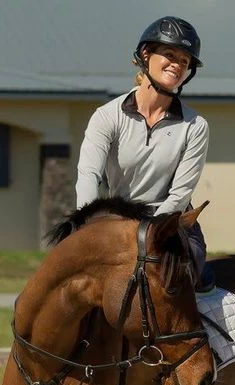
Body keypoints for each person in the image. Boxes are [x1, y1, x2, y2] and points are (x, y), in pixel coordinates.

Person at [75, 16, 210, 280]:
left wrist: (147, 234)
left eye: (185, 61)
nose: (177, 65)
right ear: (146, 54)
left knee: (182, 285)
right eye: (170, 55)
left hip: (169, 227)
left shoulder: (196, 126)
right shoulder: (106, 116)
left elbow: (179, 195)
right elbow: (88, 175)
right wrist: (89, 225)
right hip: (116, 221)